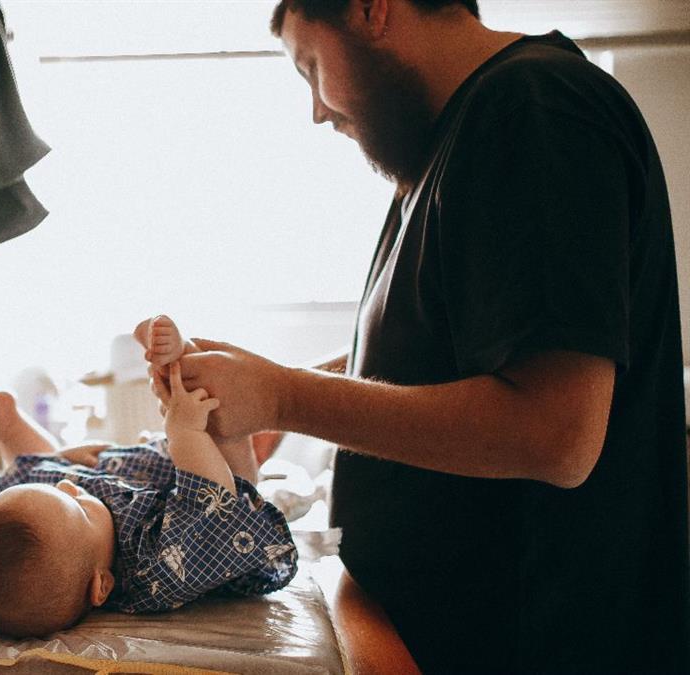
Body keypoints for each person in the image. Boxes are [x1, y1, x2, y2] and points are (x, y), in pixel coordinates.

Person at [144, 0, 690, 671]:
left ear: (373, 9)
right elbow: (440, 349)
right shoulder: (449, 146)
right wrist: (262, 398)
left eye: (311, 67)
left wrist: (288, 396)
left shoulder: (535, 109)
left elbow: (557, 434)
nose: (318, 109)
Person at [0, 316, 297, 638]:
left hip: (132, 475)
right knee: (236, 461)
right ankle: (187, 372)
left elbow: (57, 493)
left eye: (63, 488)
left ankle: (8, 424)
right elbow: (213, 504)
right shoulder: (154, 570)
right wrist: (186, 430)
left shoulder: (76, 537)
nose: (70, 487)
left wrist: (64, 463)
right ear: (102, 586)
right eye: (77, 505)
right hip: (212, 489)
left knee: (23, 490)